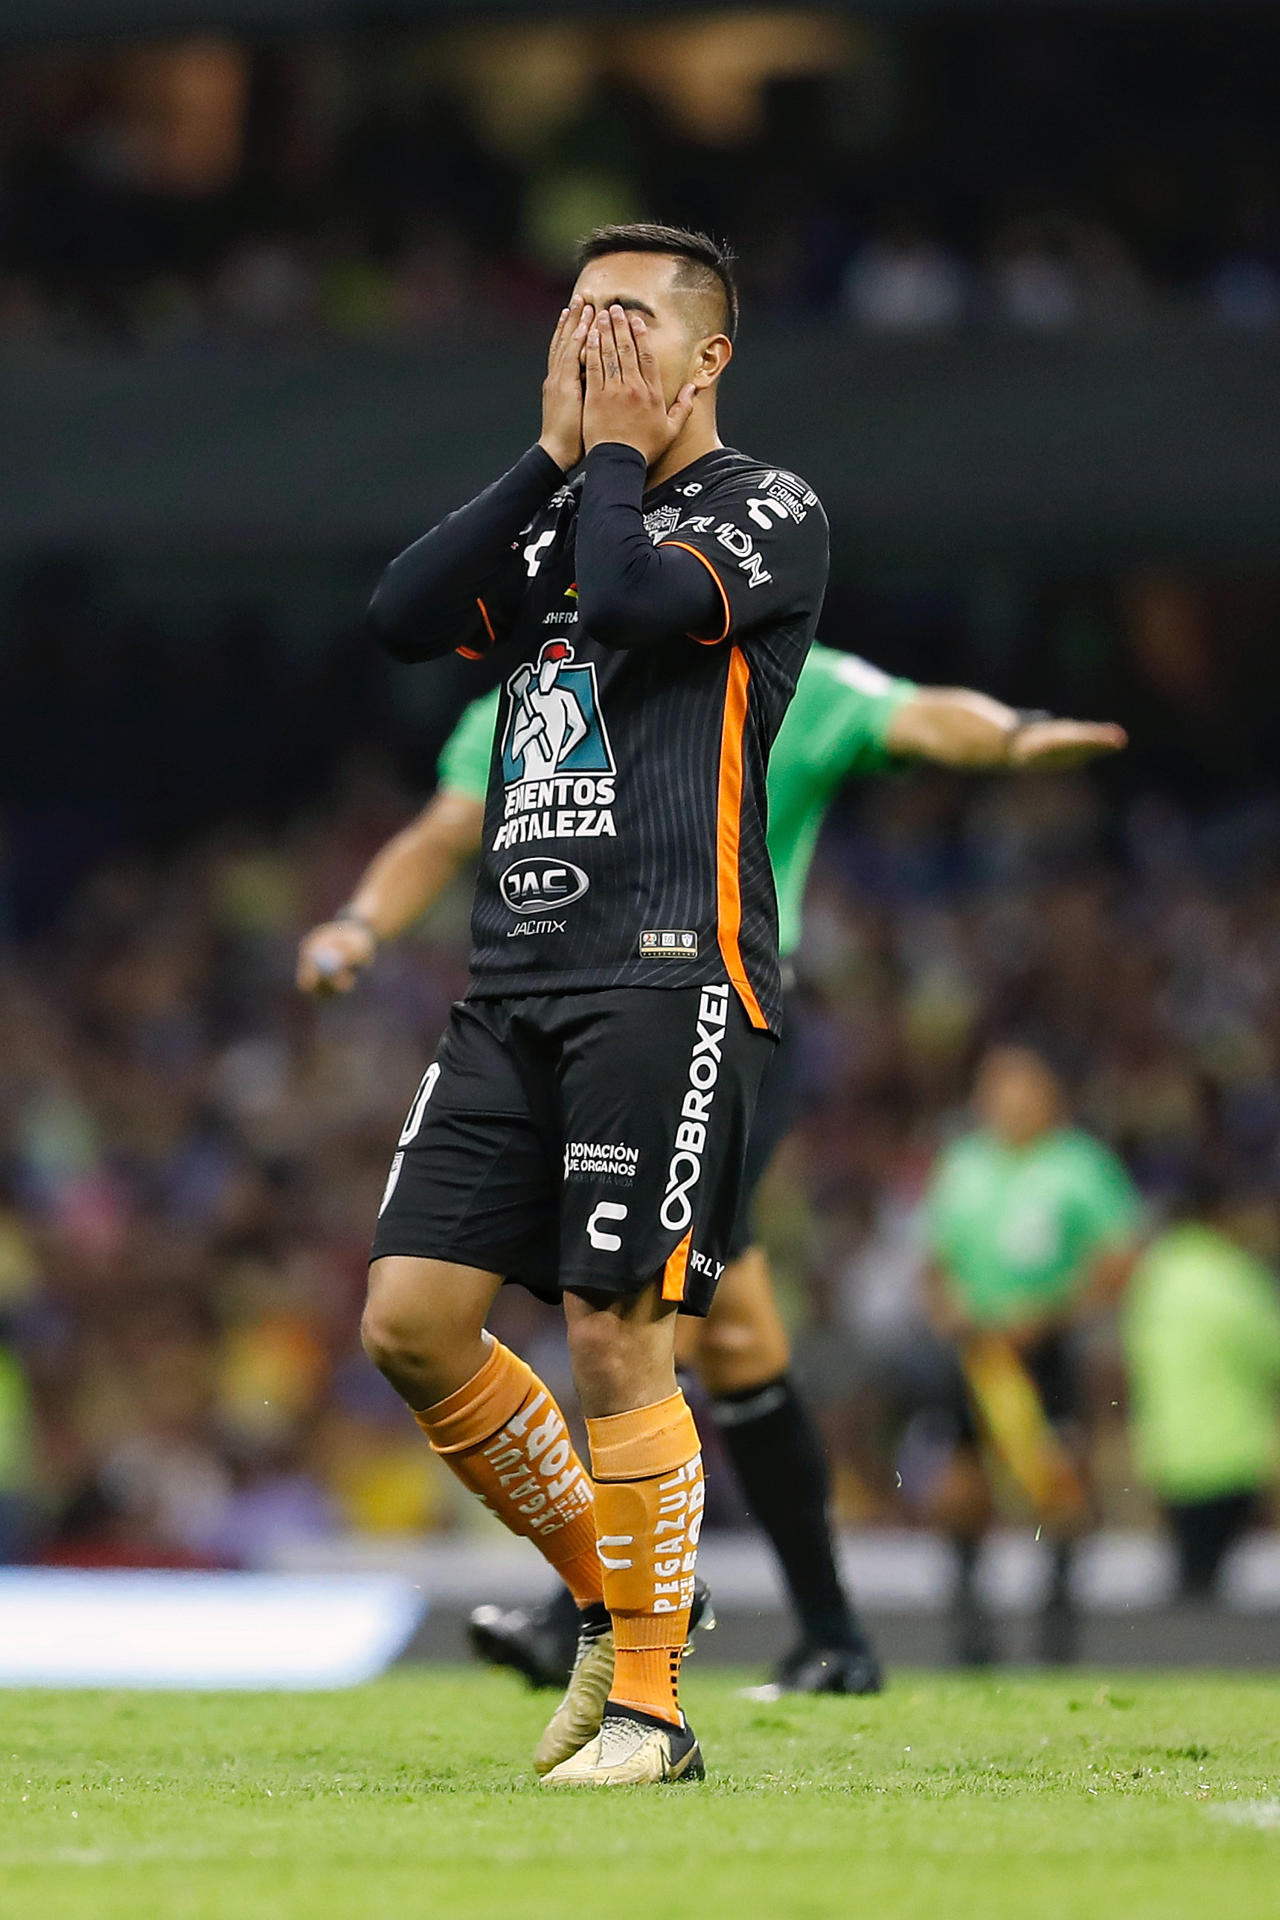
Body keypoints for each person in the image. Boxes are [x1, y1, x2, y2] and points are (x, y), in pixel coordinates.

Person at [302, 646, 1126, 1693]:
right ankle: (831, 1638)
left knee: (648, 1307)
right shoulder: (534, 693)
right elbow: (442, 830)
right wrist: (361, 921)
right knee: (733, 1333)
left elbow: (918, 716)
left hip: (725, 1026)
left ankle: (588, 1614)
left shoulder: (784, 676)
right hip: (581, 1027)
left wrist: (1010, 736)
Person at [353, 223, 829, 1787]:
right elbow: (404, 615)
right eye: (574, 319)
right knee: (411, 1324)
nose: (591, 342)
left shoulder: (767, 509)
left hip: (670, 971)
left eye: (625, 320)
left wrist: (608, 459)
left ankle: (651, 1709)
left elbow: (627, 602)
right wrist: (555, 455)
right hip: (514, 979)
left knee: (616, 1335)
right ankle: (613, 1598)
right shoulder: (568, 503)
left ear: (708, 356)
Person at [922, 1044, 1141, 1665]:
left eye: (1021, 1089)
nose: (1008, 1103)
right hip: (977, 1352)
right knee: (958, 1483)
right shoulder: (963, 1165)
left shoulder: (1081, 1166)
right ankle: (971, 1624)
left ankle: (1057, 1621)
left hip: (1049, 1349)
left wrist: (1050, 1313)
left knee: (1061, 1482)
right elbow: (933, 1260)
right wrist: (947, 1309)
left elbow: (1120, 1259)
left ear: (1050, 1096)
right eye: (996, 1090)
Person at [1123, 1189, 1280, 1598]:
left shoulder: (1152, 1279)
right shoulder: (1234, 1277)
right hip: (1229, 1450)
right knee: (1212, 1574)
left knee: (1190, 1564)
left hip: (1167, 1449)